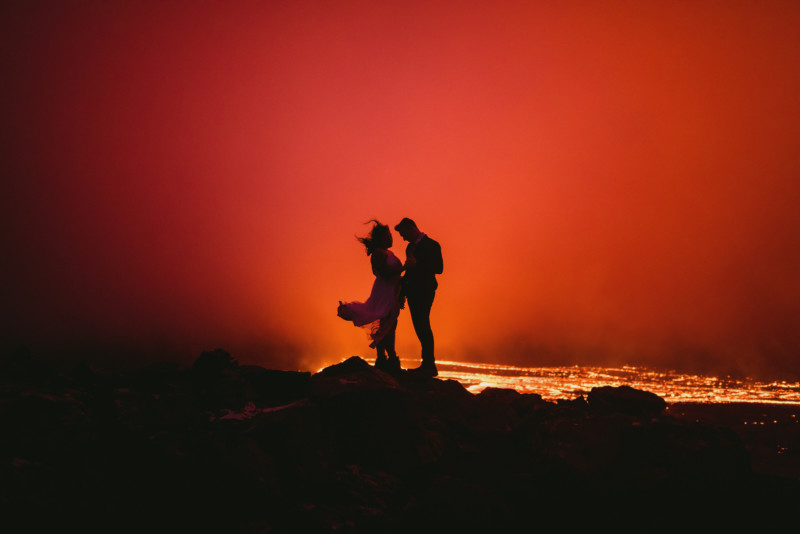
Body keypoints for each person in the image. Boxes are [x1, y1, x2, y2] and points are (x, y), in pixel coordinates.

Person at [337, 220, 404, 373]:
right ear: (381, 238)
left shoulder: (388, 253)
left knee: (389, 324)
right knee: (386, 324)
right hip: (384, 291)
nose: (391, 239)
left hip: (391, 291)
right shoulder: (378, 254)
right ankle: (387, 358)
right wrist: (405, 267)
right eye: (388, 236)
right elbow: (383, 273)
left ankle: (385, 358)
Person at [395, 218, 443, 377]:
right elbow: (409, 272)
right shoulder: (410, 247)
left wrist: (417, 264)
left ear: (411, 228)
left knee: (423, 325)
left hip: (425, 290)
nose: (403, 238)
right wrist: (402, 292)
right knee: (420, 326)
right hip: (413, 291)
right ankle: (427, 364)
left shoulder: (432, 245)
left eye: (403, 234)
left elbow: (439, 268)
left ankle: (429, 365)